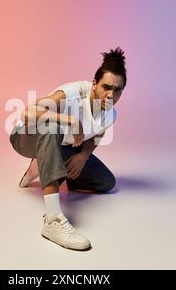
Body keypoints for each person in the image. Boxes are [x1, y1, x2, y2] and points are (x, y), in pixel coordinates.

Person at [9, 47, 127, 251]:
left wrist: (83, 155)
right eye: (106, 87)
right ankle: (53, 220)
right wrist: (69, 119)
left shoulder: (111, 113)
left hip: (61, 145)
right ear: (94, 84)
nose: (111, 95)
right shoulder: (72, 94)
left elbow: (94, 136)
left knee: (106, 182)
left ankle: (44, 164)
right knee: (51, 126)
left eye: (117, 90)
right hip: (25, 137)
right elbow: (28, 113)